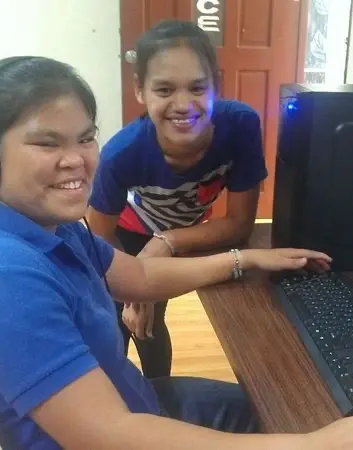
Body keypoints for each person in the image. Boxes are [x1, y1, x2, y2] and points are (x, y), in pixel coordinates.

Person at [0, 56, 353, 450]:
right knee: (304, 425)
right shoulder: (1, 279)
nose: (76, 160)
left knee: (284, 408)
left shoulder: (40, 225)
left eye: (84, 138)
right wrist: (313, 445)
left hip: (129, 403)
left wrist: (245, 259)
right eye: (47, 143)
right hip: (115, 432)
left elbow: (139, 277)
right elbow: (107, 434)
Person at [86, 20, 268, 378]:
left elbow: (239, 225)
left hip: (178, 235)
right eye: (164, 89)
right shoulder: (121, 154)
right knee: (116, 322)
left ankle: (161, 395)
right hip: (125, 237)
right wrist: (133, 286)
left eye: (198, 88)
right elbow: (97, 240)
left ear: (216, 85)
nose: (183, 105)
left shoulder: (241, 126)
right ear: (140, 91)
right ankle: (115, 390)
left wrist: (166, 242)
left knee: (152, 322)